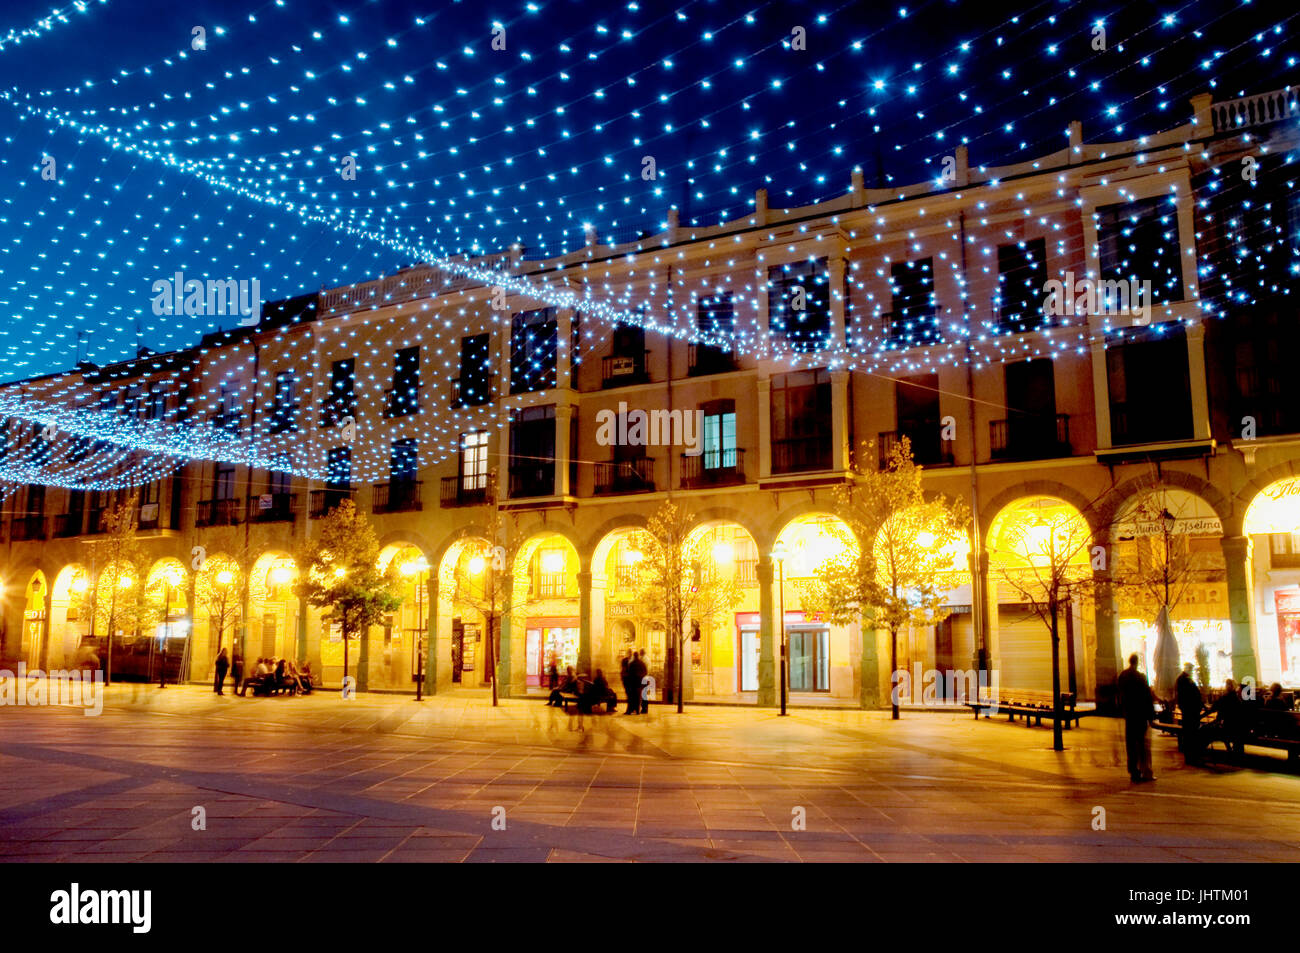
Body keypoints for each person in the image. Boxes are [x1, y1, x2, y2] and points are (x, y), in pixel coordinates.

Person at [1117, 653, 1155, 782]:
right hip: (1140, 715)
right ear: (1137, 662)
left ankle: (1133, 770)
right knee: (1141, 744)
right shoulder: (1140, 677)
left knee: (1131, 744)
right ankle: (1143, 770)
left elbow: (1119, 694)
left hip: (1129, 715)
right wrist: (1151, 716)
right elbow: (1147, 698)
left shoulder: (1123, 676)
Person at [1174, 662, 1203, 763]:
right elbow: (1186, 696)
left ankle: (1191, 756)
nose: (1191, 670)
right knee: (1190, 734)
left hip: (1191, 711)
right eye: (1190, 668)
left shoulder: (1185, 679)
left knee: (1191, 734)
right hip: (1189, 711)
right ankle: (1191, 756)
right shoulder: (1183, 680)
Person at [1212, 679, 1244, 757]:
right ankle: (1232, 750)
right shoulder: (1236, 699)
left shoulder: (1225, 697)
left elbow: (1216, 708)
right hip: (1237, 727)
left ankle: (1229, 749)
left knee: (1211, 730)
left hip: (1228, 727)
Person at [626, 650, 647, 715]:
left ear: (634, 656)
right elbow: (645, 672)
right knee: (638, 696)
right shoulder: (642, 663)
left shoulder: (631, 664)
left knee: (632, 696)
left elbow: (629, 673)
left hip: (633, 683)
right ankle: (637, 710)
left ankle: (631, 710)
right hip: (639, 682)